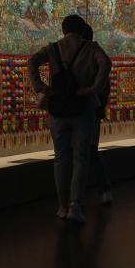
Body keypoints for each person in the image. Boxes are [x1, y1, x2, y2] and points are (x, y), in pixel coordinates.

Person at [28, 14, 111, 223]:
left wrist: (40, 87)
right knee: (81, 157)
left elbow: (32, 61)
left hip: (58, 108)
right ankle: (75, 205)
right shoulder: (90, 48)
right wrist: (93, 89)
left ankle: (62, 206)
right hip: (83, 107)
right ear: (82, 29)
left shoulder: (54, 48)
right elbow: (105, 64)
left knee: (61, 158)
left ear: (64, 30)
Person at [81, 22, 113, 205]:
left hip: (87, 110)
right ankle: (101, 190)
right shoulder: (93, 56)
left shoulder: (92, 56)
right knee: (89, 151)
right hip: (91, 109)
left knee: (88, 151)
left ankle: (100, 189)